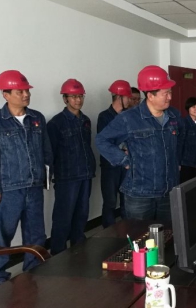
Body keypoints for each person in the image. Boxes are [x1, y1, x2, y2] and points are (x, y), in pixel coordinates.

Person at [0, 70, 53, 286]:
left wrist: (46, 178)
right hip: (8, 188)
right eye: (19, 91)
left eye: (26, 91)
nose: (25, 95)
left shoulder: (37, 118)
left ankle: (33, 272)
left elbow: (46, 150)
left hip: (34, 186)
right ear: (5, 94)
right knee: (3, 236)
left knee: (36, 234)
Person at [96, 66, 179, 225]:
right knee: (139, 236)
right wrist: (124, 160)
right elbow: (102, 140)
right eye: (165, 93)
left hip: (168, 192)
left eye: (170, 92)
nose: (170, 97)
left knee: (167, 235)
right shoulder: (129, 118)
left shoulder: (173, 115)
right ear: (150, 95)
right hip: (140, 194)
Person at [47, 79, 96, 255]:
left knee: (82, 213)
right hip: (67, 177)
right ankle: (58, 251)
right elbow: (50, 153)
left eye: (80, 96)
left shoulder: (85, 120)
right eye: (73, 96)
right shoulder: (56, 123)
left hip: (85, 173)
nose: (78, 100)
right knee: (63, 216)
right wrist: (49, 177)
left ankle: (78, 246)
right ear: (65, 99)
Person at [97, 80, 132, 228]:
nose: (130, 100)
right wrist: (122, 150)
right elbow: (105, 142)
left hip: (126, 165)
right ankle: (108, 232)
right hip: (110, 166)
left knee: (127, 200)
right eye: (128, 97)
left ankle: (128, 230)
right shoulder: (104, 117)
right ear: (119, 97)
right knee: (110, 201)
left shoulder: (128, 116)